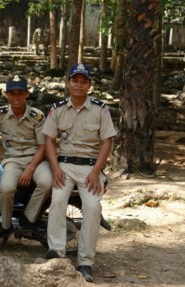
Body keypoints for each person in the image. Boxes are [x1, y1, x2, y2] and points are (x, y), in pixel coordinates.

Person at [42, 63, 116, 282]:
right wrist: (55, 168)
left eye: (84, 81)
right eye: (75, 80)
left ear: (89, 85)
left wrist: (96, 172)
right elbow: (49, 140)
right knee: (57, 202)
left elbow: (107, 142)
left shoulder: (100, 109)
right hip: (64, 165)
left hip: (90, 168)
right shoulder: (57, 108)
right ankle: (57, 254)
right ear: (68, 83)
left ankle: (85, 262)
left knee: (92, 207)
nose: (79, 84)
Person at [0, 75, 52, 238]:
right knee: (6, 189)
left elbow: (43, 146)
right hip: (13, 160)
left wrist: (30, 168)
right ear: (6, 95)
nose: (16, 97)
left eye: (20, 93)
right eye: (12, 93)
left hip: (36, 159)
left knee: (46, 182)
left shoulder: (37, 116)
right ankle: (6, 225)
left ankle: (29, 219)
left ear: (27, 93)